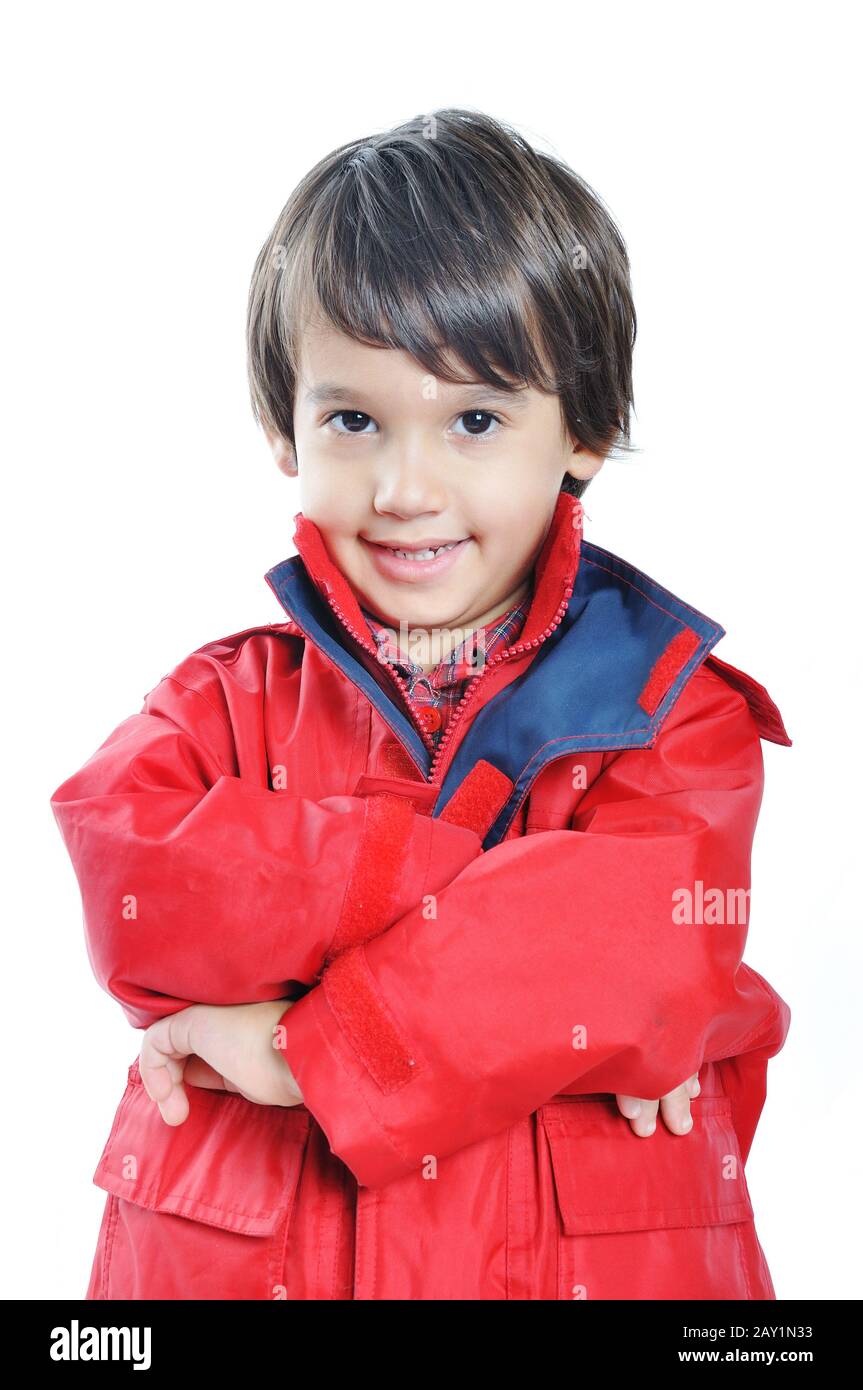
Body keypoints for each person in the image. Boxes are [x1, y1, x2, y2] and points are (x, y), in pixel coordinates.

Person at [49, 107, 792, 1301]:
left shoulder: (672, 710)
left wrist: (299, 1044)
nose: (404, 487)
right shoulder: (220, 703)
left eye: (475, 420)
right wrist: (497, 896)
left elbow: (642, 927)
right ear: (282, 427)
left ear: (583, 433)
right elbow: (128, 869)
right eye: (352, 419)